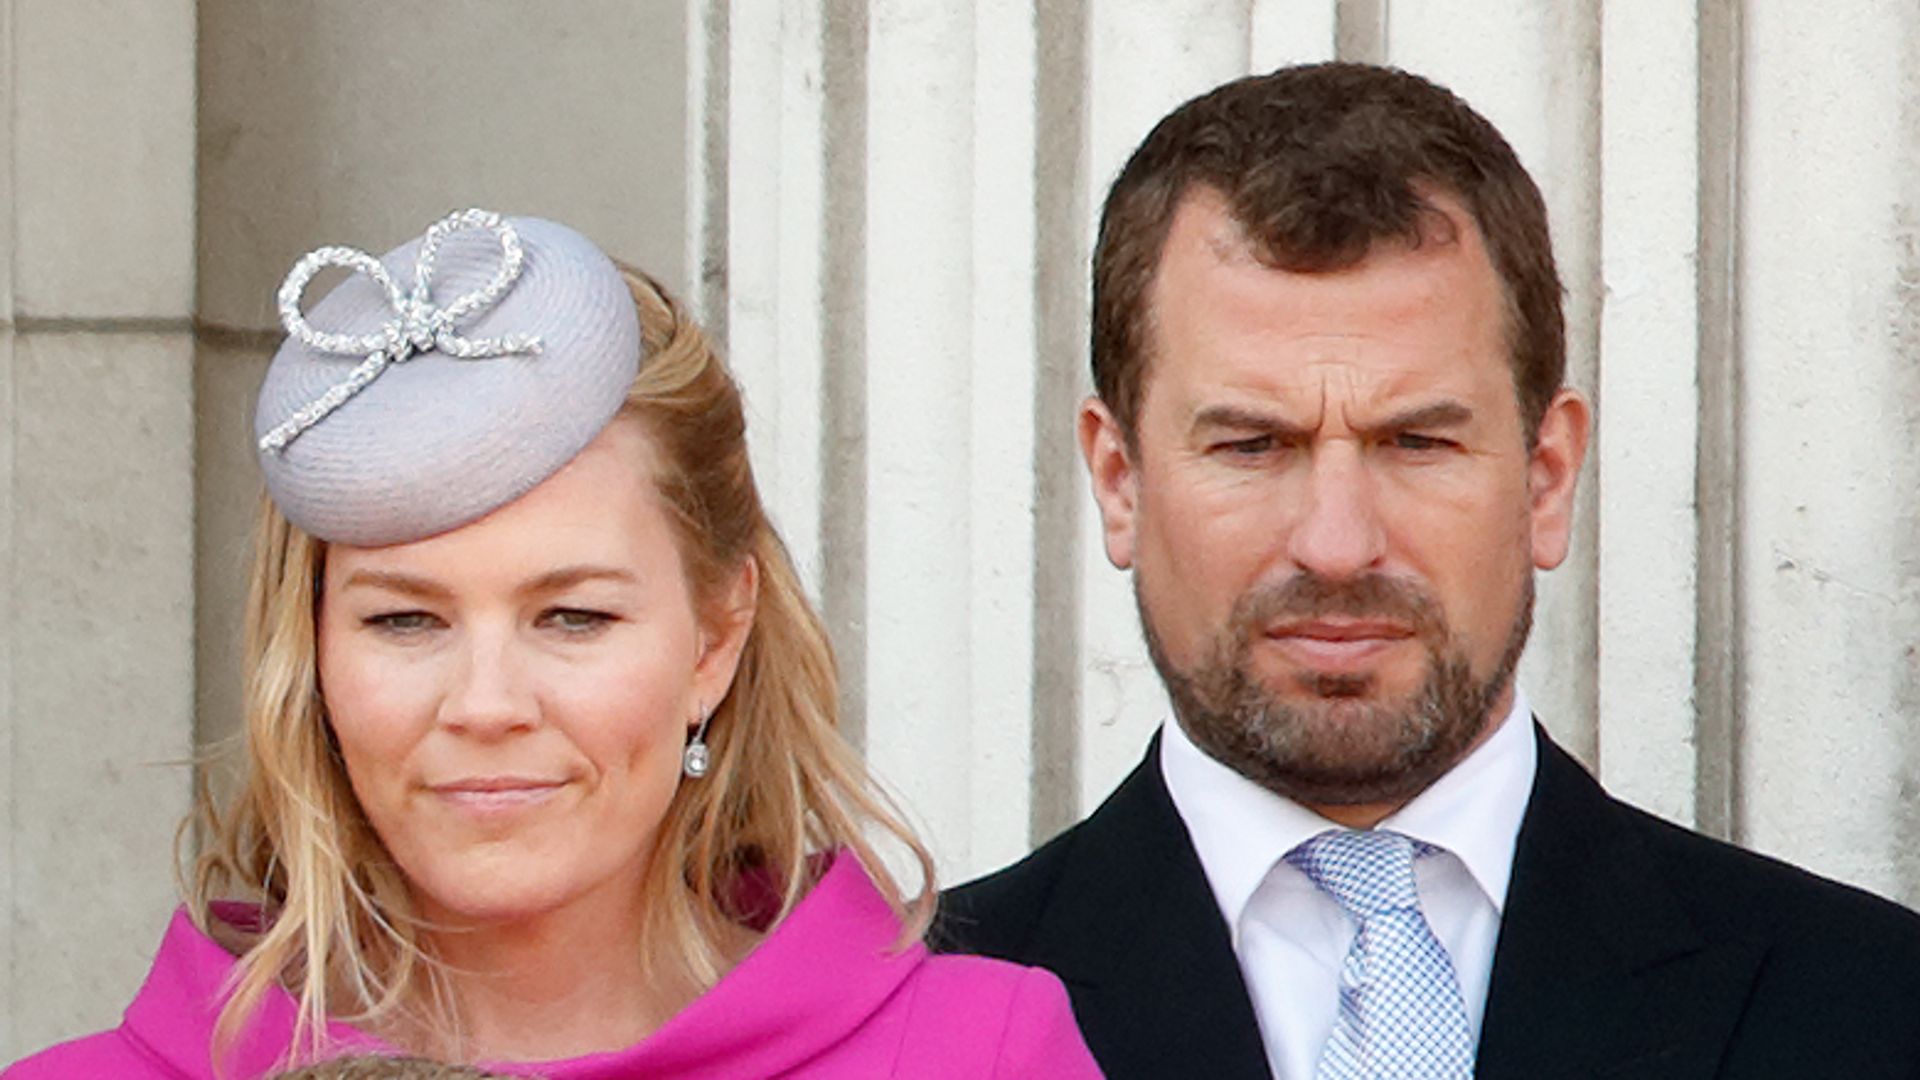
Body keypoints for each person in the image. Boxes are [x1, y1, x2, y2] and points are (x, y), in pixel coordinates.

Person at [938, 62, 1920, 1079]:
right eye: (1250, 445)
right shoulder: (908, 1033)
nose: (1335, 543)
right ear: (1118, 481)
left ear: (1547, 480)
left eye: (1416, 443)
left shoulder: (1876, 1011)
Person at [6, 210, 1099, 1078]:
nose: (487, 703)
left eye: (572, 616)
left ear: (718, 635)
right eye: (405, 619)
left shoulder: (980, 1055)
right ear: (313, 657)